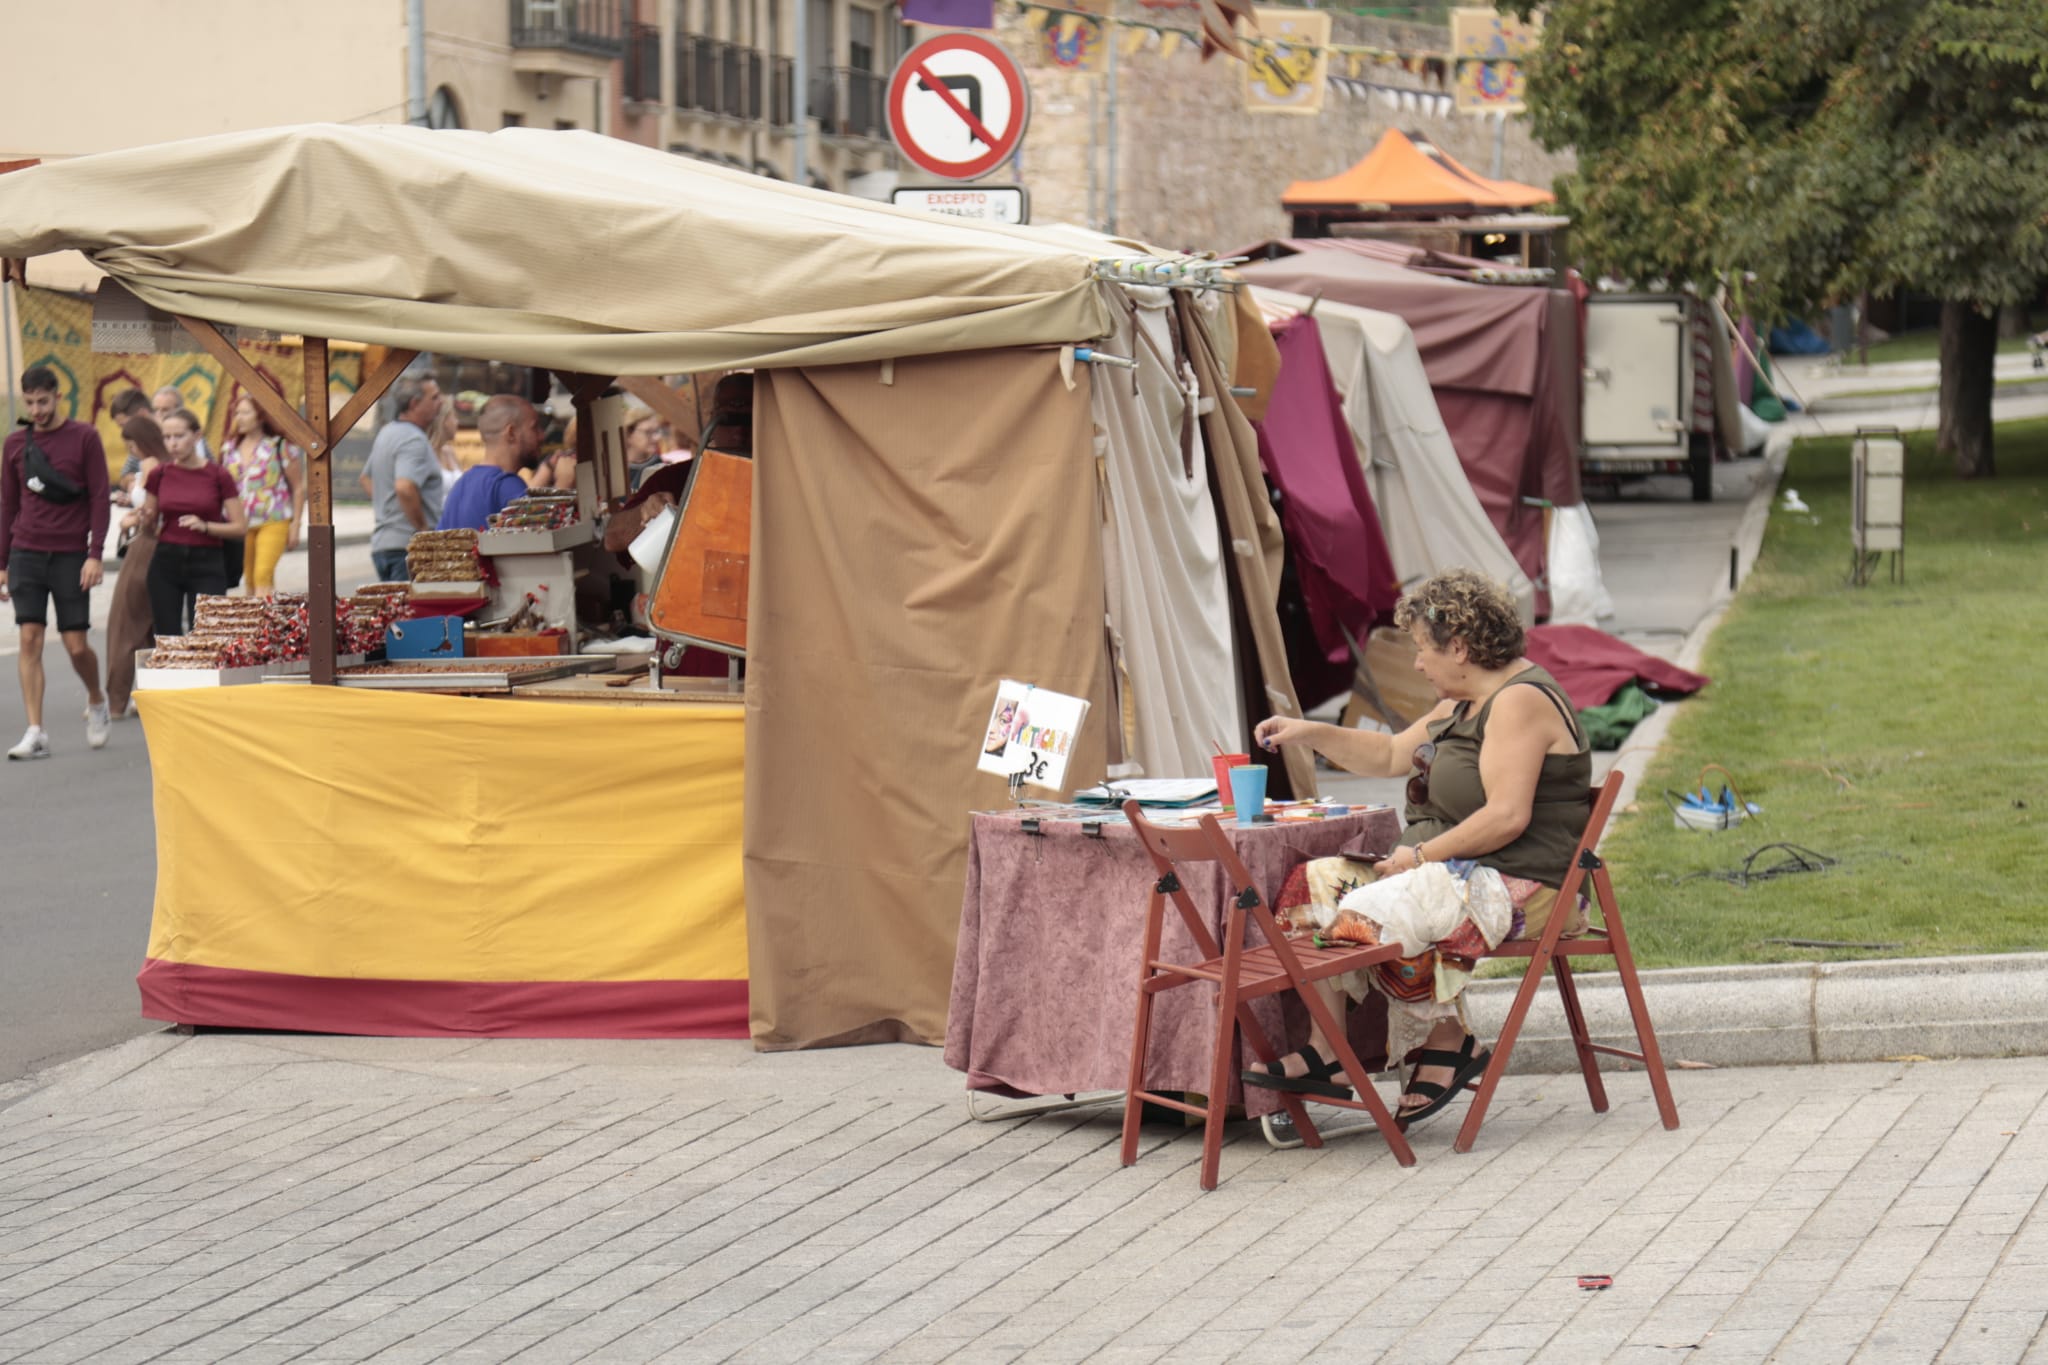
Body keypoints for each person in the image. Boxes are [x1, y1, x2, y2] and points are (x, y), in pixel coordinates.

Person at [1246, 567, 1592, 1130]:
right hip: (1447, 871)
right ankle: (1329, 1050)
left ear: (1459, 647)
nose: (1416, 663)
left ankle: (1448, 1038)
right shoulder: (1463, 701)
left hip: (1522, 881)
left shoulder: (1518, 701)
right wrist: (1305, 732)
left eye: (1422, 649)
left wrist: (1421, 856)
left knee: (1381, 909)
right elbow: (1388, 756)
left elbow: (1507, 816)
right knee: (1312, 885)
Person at [1, 366, 112, 759]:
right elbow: (8, 504)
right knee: (29, 638)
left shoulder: (85, 437)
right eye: (29, 403)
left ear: (57, 395)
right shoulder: (15, 443)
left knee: (76, 644)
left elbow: (100, 497)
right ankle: (36, 732)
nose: (37, 410)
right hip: (26, 552)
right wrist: (2, 563)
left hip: (69, 555)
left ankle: (97, 699)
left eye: (43, 401)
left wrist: (95, 554)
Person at [141, 409, 246, 637]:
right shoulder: (159, 474)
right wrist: (145, 518)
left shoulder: (218, 475)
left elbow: (240, 528)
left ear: (197, 436)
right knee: (166, 638)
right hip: (166, 560)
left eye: (179, 436)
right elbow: (150, 525)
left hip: (207, 561)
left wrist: (206, 526)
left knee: (207, 636)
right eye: (167, 437)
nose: (172, 444)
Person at [104, 415, 170, 719]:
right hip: (164, 546)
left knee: (125, 622)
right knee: (153, 622)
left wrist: (134, 516)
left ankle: (116, 699)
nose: (131, 451)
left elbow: (154, 512)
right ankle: (147, 690)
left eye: (131, 444)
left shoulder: (151, 466)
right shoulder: (167, 463)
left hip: (146, 544)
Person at [218, 393, 305, 595]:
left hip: (274, 519)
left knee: (262, 574)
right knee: (248, 579)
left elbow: (298, 487)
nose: (239, 417)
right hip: (240, 522)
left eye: (246, 412)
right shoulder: (229, 448)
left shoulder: (280, 446)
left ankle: (261, 623)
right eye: (237, 413)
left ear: (261, 416)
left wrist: (296, 524)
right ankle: (264, 621)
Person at [359, 375, 444, 581]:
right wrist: (423, 531)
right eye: (434, 398)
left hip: (384, 546)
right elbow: (405, 487)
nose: (440, 402)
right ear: (415, 404)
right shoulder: (412, 438)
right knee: (411, 613)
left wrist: (388, 511)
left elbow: (366, 478)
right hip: (406, 548)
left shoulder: (388, 432)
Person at [437, 395, 545, 530]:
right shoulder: (506, 485)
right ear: (511, 433)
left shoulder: (459, 487)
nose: (542, 436)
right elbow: (540, 539)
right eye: (534, 428)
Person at [150, 385, 212, 460]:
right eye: (155, 410)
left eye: (165, 410)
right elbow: (133, 469)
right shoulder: (143, 436)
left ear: (178, 411)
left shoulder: (192, 435)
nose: (158, 415)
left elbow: (210, 466)